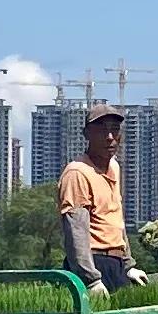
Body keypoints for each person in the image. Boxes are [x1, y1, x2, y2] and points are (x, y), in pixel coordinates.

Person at [56, 105, 136, 289]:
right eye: (101, 130)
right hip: (94, 261)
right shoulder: (77, 173)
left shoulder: (114, 167)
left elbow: (116, 220)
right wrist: (90, 279)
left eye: (115, 130)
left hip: (116, 263)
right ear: (87, 134)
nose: (110, 137)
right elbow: (76, 230)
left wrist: (128, 264)